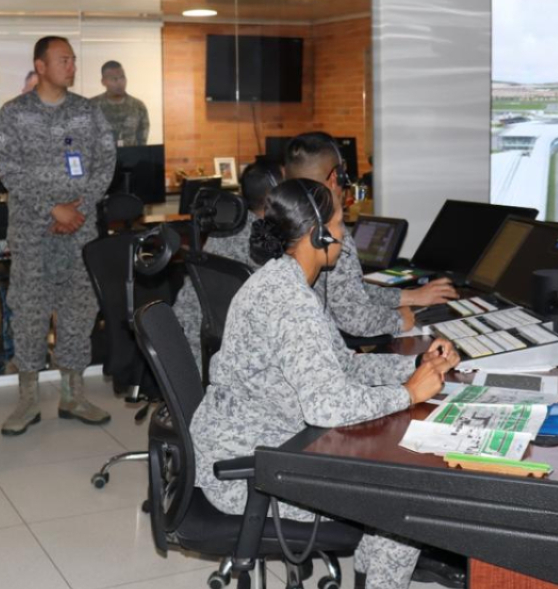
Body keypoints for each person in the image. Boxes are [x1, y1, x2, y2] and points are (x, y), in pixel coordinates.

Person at [191, 179, 460, 589]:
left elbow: (341, 368)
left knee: (391, 478)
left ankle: (370, 577)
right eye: (341, 223)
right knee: (405, 504)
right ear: (319, 234)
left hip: (266, 443)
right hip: (252, 470)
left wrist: (414, 366)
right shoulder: (290, 302)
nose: (346, 235)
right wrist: (409, 394)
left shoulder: (286, 280)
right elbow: (327, 408)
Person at [0, 35, 117, 435]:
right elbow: (9, 170)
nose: (72, 66)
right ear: (41, 66)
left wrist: (78, 209)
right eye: (63, 60)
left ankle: (72, 393)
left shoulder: (89, 113)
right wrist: (52, 207)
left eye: (73, 60)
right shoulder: (12, 115)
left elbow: (106, 162)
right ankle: (27, 399)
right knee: (30, 312)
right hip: (33, 233)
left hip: (80, 231)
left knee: (79, 311)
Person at [284, 132, 457, 337]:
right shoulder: (331, 233)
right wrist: (401, 319)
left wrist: (410, 296)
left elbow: (349, 292)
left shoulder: (279, 224)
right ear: (335, 178)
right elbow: (354, 317)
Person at [172, 160, 282, 367]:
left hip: (193, 341)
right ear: (274, 194)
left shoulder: (227, 227)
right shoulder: (266, 241)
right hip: (227, 355)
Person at [90, 59, 149, 146]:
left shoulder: (138, 106)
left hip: (131, 158)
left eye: (122, 77)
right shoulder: (91, 106)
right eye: (114, 79)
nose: (119, 82)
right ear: (103, 81)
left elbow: (142, 142)